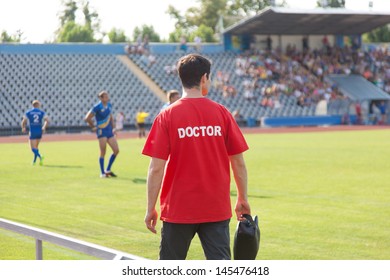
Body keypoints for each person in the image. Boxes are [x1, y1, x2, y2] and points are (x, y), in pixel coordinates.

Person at [142, 53, 251, 260]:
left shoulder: (167, 116)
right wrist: (242, 198)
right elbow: (238, 162)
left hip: (177, 209)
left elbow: (156, 168)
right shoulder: (222, 113)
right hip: (216, 207)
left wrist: (150, 208)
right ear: (204, 78)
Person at [84, 91, 119, 178]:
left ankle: (108, 169)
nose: (107, 97)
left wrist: (113, 126)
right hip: (101, 131)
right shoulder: (97, 107)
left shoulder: (109, 105)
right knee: (103, 151)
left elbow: (110, 115)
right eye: (105, 96)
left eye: (107, 95)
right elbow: (87, 118)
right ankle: (102, 172)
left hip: (109, 130)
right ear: (101, 98)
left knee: (116, 150)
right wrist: (93, 127)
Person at [21, 100, 49, 166]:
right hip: (39, 131)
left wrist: (23, 127)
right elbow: (47, 120)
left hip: (33, 131)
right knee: (36, 147)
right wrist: (44, 127)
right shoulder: (41, 112)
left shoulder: (29, 112)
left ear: (32, 105)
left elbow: (24, 120)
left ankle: (40, 156)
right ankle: (34, 161)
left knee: (32, 148)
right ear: (38, 105)